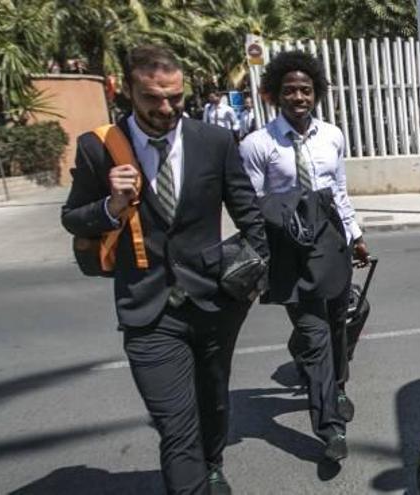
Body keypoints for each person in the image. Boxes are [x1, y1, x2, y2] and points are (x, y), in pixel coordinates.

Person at [62, 44, 268, 494]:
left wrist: (256, 273)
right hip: (147, 309)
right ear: (128, 92)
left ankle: (213, 463)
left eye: (174, 97)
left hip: (216, 301)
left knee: (213, 401)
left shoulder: (212, 141)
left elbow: (248, 212)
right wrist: (109, 205)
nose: (166, 108)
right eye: (153, 98)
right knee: (176, 425)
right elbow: (73, 217)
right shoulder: (100, 148)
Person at [239, 50, 370, 463]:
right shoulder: (258, 144)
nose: (299, 97)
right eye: (290, 90)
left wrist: (356, 234)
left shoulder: (332, 136)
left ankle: (338, 385)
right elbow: (252, 206)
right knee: (315, 339)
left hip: (332, 245)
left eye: (306, 90)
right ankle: (330, 427)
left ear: (316, 93)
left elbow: (340, 190)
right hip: (290, 254)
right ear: (276, 95)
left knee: (337, 325)